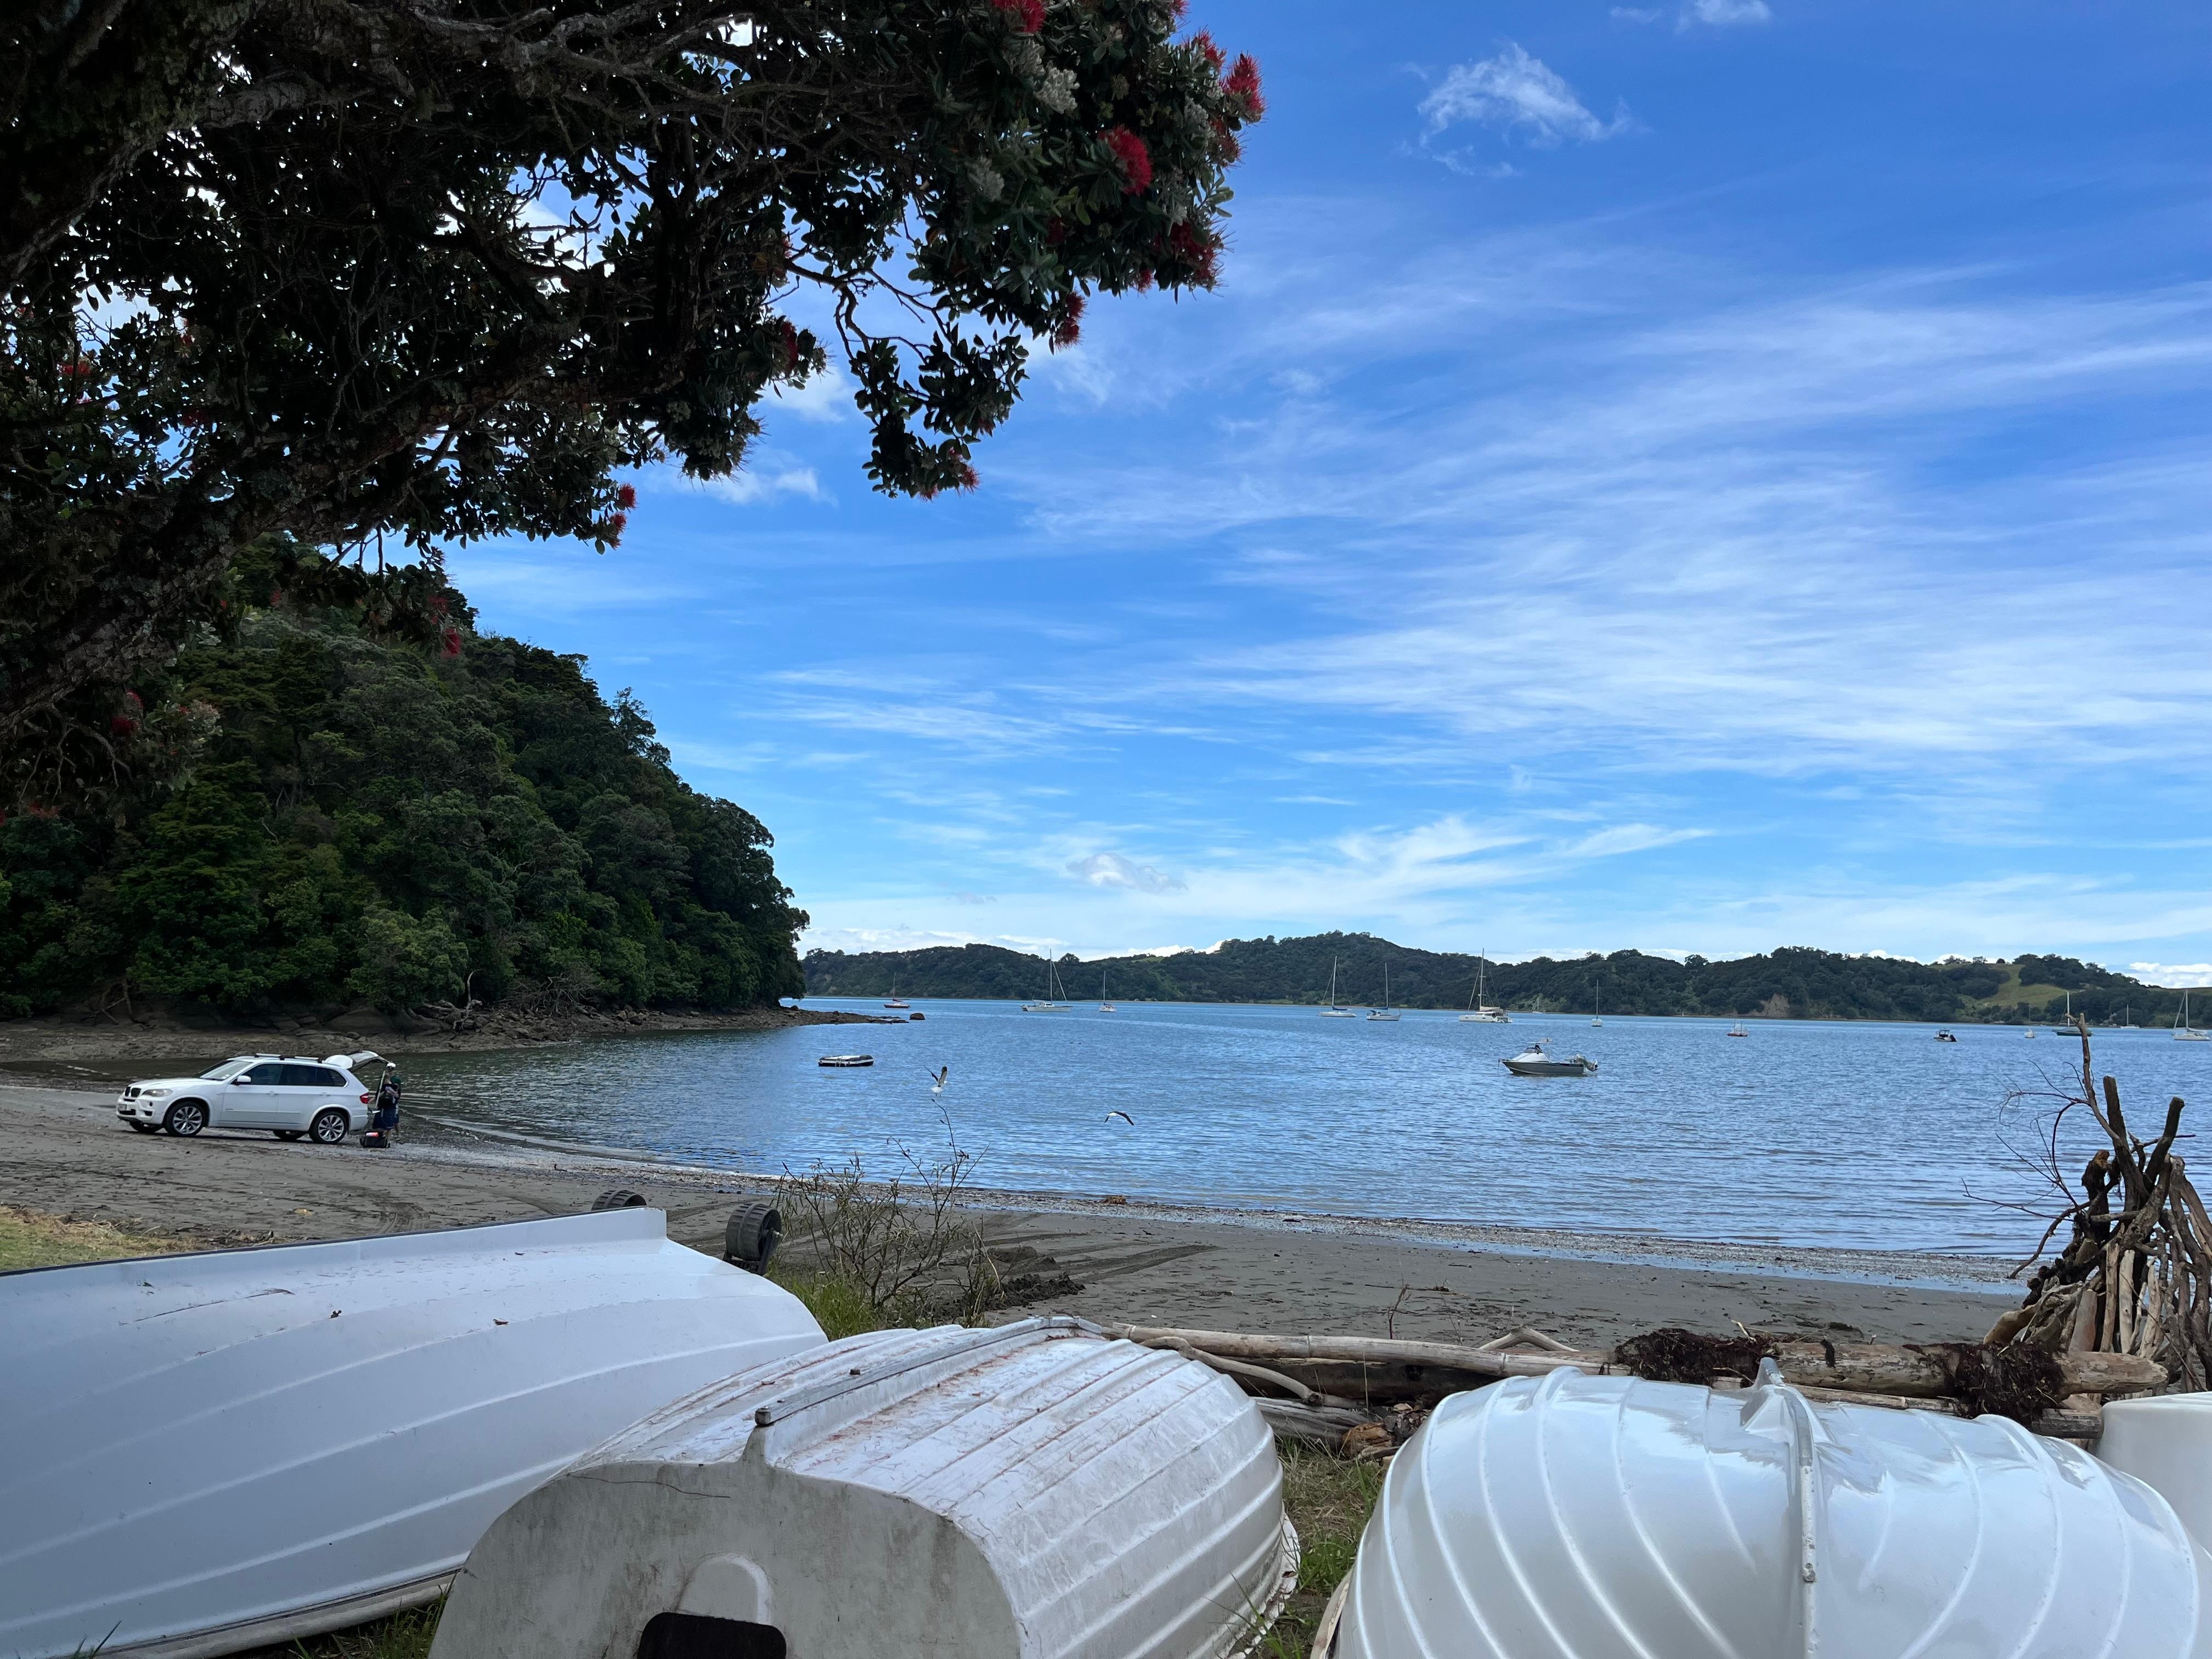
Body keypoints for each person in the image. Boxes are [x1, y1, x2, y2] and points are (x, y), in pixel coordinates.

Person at [363, 1067, 402, 1148]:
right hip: (383, 1108)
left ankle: (387, 1141)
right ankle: (382, 1140)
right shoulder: (382, 1087)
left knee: (389, 1125)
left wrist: (389, 1091)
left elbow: (397, 1096)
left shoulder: (394, 1086)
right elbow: (378, 1096)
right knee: (382, 1125)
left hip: (390, 1108)